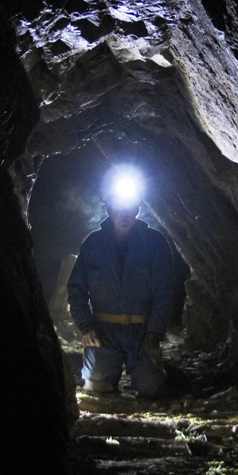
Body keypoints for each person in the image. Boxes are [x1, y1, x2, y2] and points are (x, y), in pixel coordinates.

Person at [66, 170, 175, 398]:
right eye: (118, 207)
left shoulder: (155, 243)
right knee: (95, 388)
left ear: (138, 209)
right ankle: (104, 370)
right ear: (108, 209)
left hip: (142, 332)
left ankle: (164, 373)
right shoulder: (93, 244)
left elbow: (164, 292)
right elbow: (76, 289)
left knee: (150, 390)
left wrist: (154, 333)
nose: (124, 213)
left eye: (130, 207)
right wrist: (86, 326)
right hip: (104, 332)